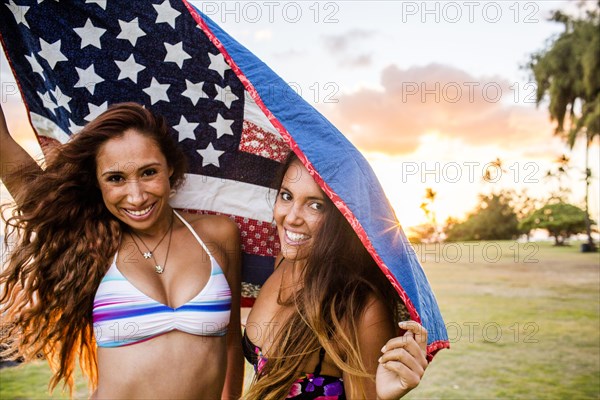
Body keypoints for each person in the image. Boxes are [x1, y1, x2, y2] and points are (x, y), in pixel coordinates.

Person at [0, 103, 244, 399]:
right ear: (98, 182)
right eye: (115, 178)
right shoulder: (89, 243)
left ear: (169, 167)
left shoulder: (218, 234)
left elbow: (230, 343)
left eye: (148, 172)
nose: (137, 196)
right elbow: (6, 150)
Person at [243, 152, 429, 400]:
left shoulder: (360, 307)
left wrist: (385, 396)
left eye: (315, 205)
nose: (291, 217)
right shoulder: (282, 263)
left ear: (344, 216)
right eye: (286, 196)